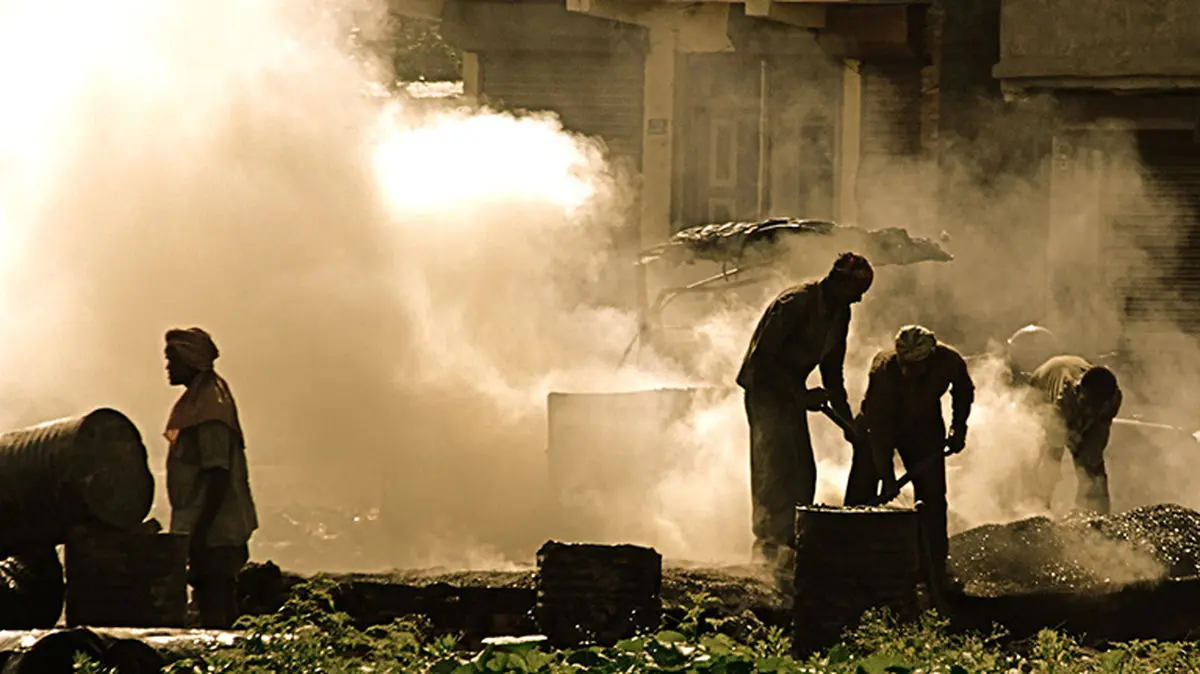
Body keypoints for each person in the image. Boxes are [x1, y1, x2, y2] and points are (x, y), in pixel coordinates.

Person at [736, 252, 874, 567]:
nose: (859, 301)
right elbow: (762, 363)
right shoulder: (793, 305)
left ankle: (789, 547)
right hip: (766, 394)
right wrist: (801, 396)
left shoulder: (840, 314)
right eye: (857, 293)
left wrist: (848, 423)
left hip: (792, 395)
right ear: (839, 283)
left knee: (802, 472)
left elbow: (832, 373)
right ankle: (767, 553)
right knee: (774, 471)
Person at [856, 325, 974, 586]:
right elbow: (879, 431)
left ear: (930, 357)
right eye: (904, 364)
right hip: (878, 424)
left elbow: (964, 391)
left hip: (924, 426)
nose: (908, 371)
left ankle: (934, 564)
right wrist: (886, 476)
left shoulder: (949, 361)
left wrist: (958, 428)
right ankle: (854, 556)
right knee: (862, 491)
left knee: (932, 497)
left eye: (916, 365)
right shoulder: (884, 370)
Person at [164, 327, 259, 628]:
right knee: (208, 605)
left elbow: (218, 475)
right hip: (205, 528)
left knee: (215, 608)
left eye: (172, 359)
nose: (168, 367)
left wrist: (201, 532)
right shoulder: (198, 404)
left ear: (190, 361)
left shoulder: (209, 409)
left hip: (215, 532)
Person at [1028, 355, 1122, 514]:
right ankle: (1037, 509)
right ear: (1079, 391)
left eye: (1098, 406)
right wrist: (1073, 437)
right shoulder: (1064, 397)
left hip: (1073, 379)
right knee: (1050, 458)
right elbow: (1055, 439)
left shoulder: (1114, 398)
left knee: (1092, 463)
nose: (1092, 410)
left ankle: (1095, 513)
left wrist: (1089, 455)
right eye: (1088, 403)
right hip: (1043, 383)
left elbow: (1100, 431)